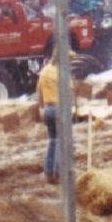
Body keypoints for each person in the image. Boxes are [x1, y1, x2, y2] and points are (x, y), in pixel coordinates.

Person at [35, 49, 61, 184]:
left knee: (52, 140)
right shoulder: (61, 73)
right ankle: (58, 173)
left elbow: (38, 93)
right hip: (58, 109)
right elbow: (70, 90)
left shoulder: (44, 71)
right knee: (60, 141)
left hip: (47, 109)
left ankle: (48, 171)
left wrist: (41, 108)